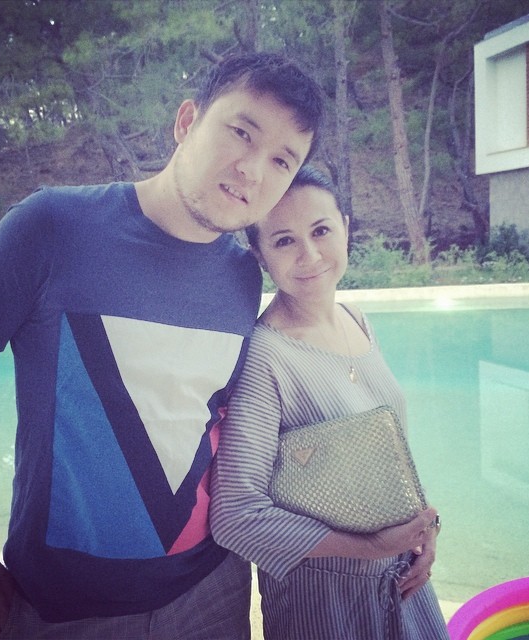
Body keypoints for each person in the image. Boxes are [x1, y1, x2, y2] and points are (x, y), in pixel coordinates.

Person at [0, 52, 324, 640]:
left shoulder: (242, 275)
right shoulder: (50, 227)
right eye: (242, 132)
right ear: (187, 122)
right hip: (65, 607)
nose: (252, 170)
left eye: (282, 160)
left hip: (213, 589)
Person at [210, 165, 449, 639]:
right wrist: (371, 548)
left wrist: (424, 531)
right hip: (325, 604)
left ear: (345, 226)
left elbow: (382, 454)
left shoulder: (356, 320)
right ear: (260, 255)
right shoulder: (266, 356)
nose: (310, 254)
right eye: (284, 241)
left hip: (404, 582)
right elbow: (235, 517)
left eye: (321, 230)